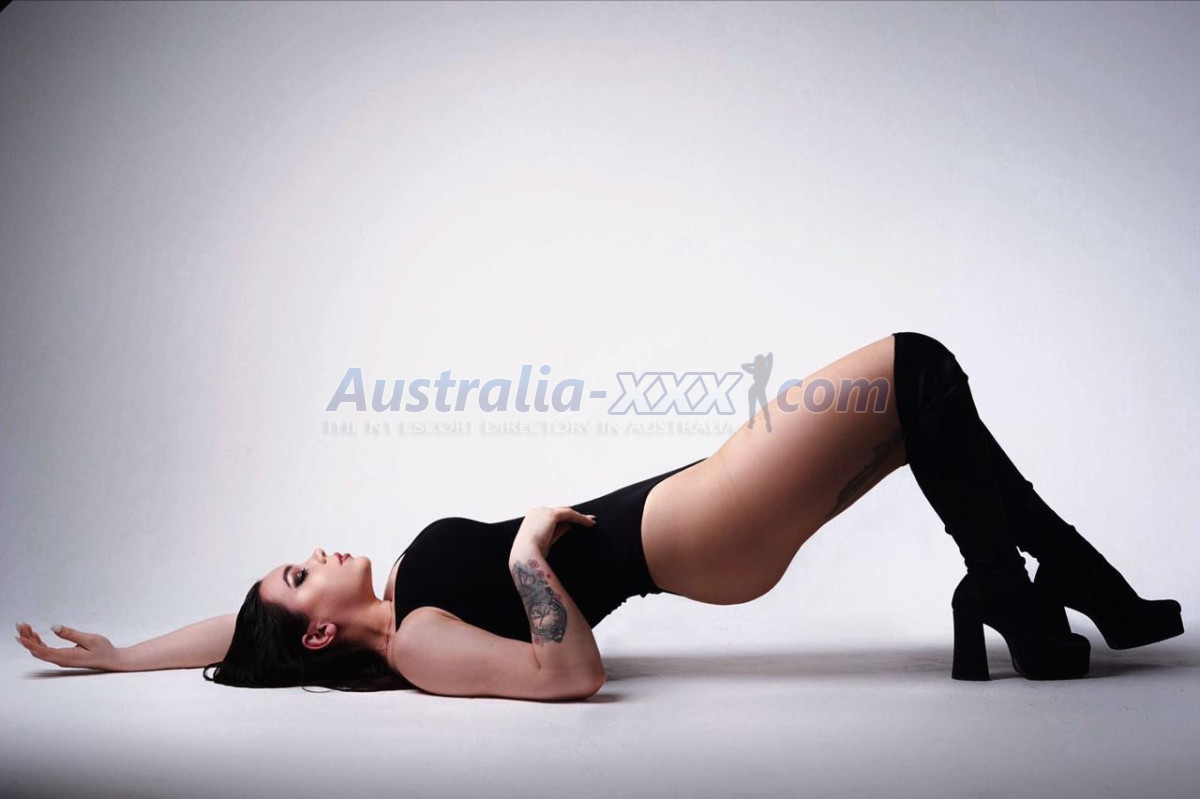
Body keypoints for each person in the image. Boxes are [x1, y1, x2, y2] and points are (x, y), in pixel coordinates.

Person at [15, 332, 1183, 698]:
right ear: (319, 626)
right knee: (912, 362)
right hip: (692, 533)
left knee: (918, 413)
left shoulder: (389, 604)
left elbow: (236, 631)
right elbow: (569, 677)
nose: (310, 553)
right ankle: (1048, 592)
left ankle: (1025, 598)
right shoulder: (416, 641)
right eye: (295, 571)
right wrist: (530, 553)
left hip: (692, 509)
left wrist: (121, 655)